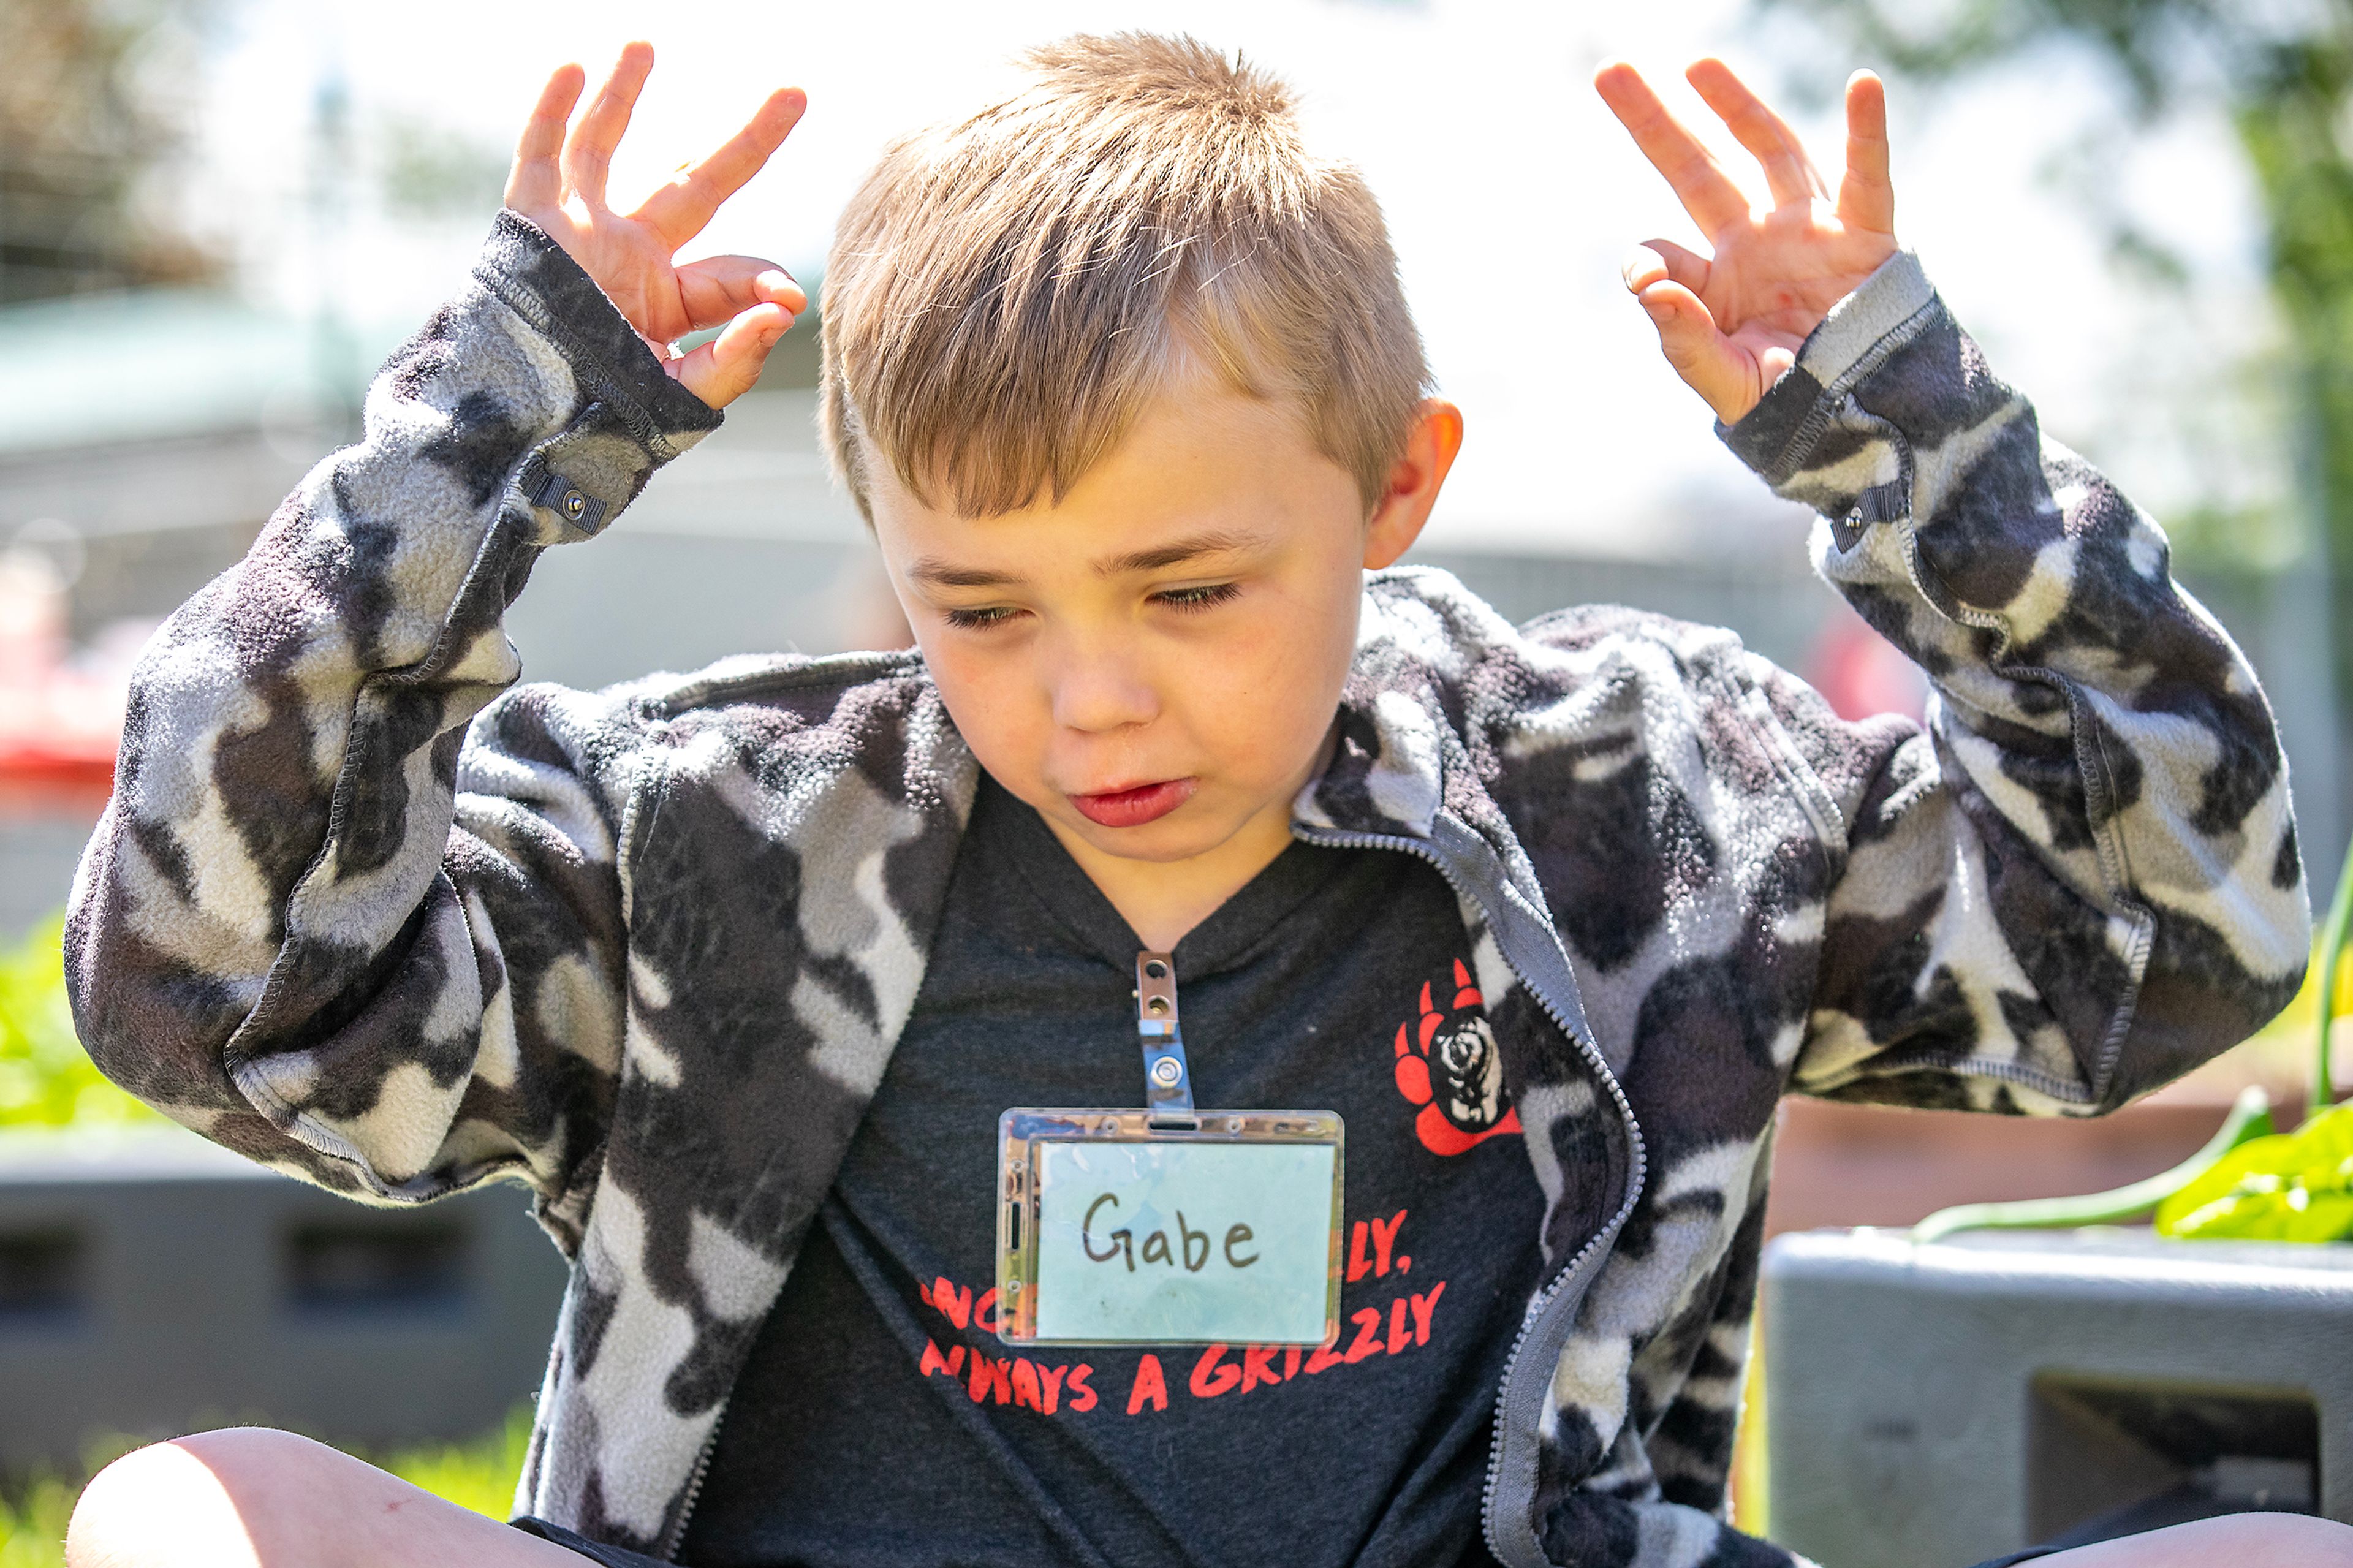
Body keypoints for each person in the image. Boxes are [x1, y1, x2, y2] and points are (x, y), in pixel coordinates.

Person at [55, 31, 2347, 1568]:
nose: (1090, 697)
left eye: (1187, 584)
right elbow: (209, 987)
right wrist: (484, 442)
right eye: (984, 604)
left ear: (1395, 490)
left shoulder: (1642, 797)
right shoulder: (718, 841)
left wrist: (1911, 443)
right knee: (200, 1512)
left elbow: (2164, 940)